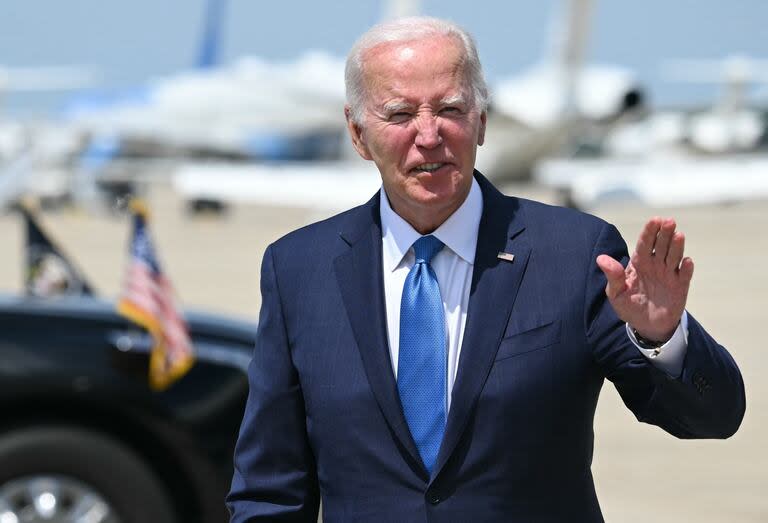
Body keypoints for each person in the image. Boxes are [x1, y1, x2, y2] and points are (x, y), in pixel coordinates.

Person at [227, 17, 744, 523]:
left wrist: (662, 336)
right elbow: (270, 489)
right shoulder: (298, 269)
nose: (428, 136)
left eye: (450, 109)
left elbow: (711, 418)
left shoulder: (575, 254)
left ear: (481, 123)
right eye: (400, 114)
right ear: (359, 134)